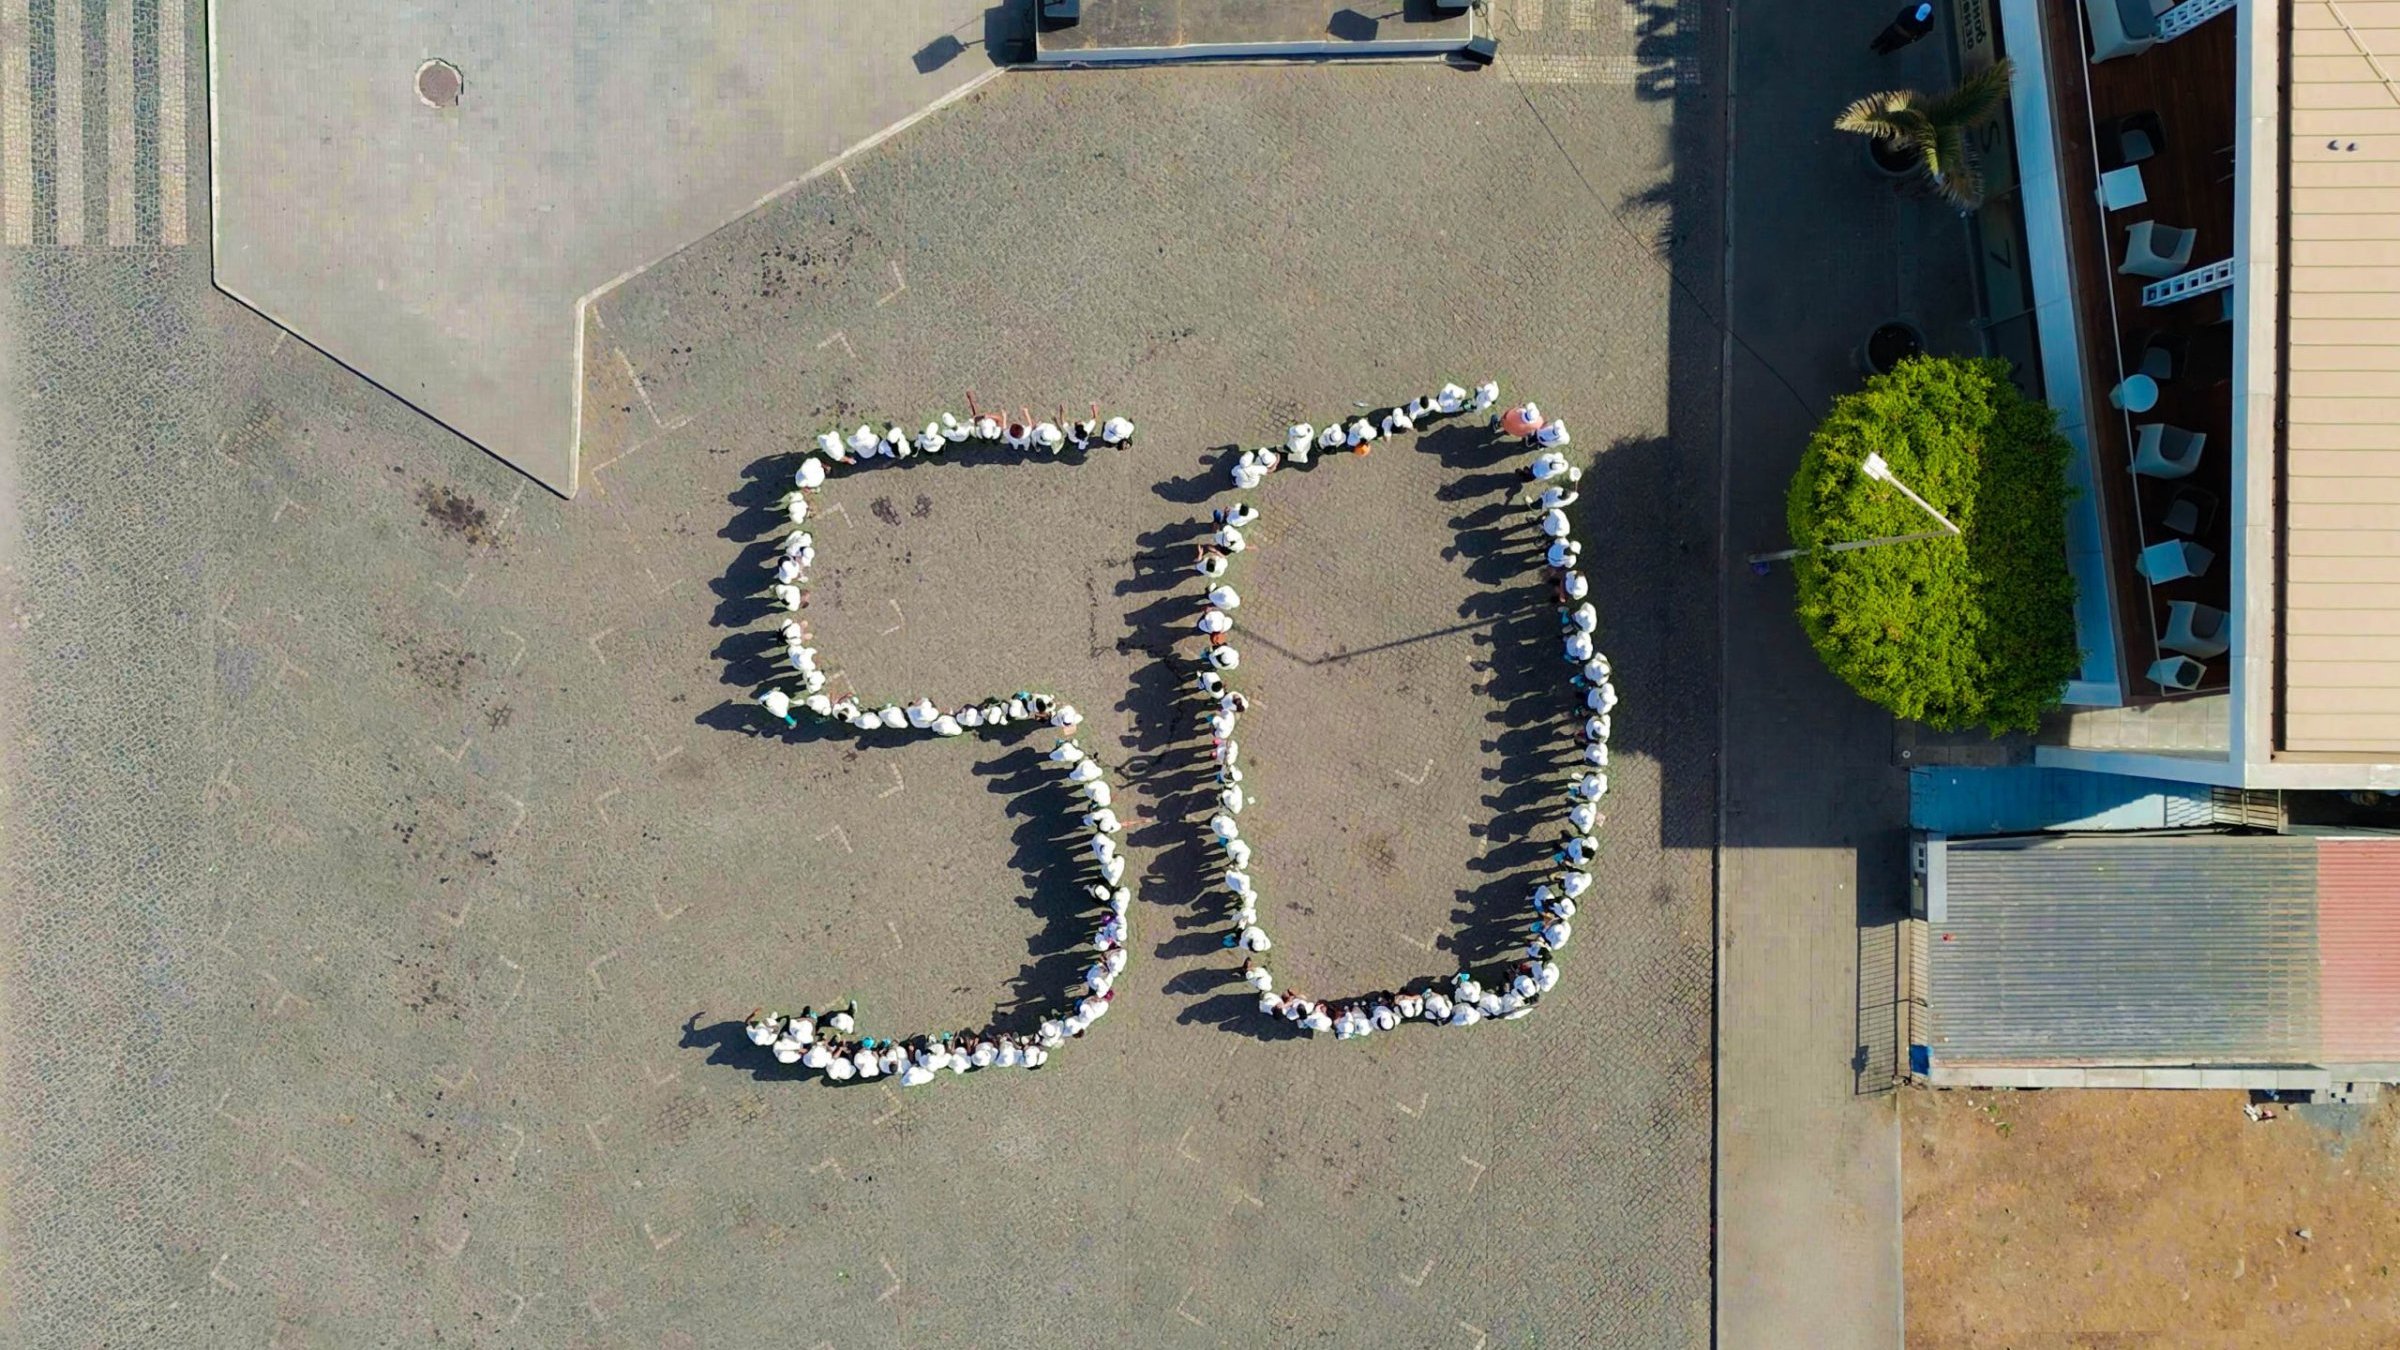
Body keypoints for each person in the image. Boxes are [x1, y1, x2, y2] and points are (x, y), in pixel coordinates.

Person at [1871, 0, 1936, 53]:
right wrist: (1910, 37)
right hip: (1895, 32)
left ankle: (1885, 49)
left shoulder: (1929, 20)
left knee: (1894, 45)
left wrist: (1914, 39)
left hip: (1904, 38)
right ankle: (1877, 43)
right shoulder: (1908, 11)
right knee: (1884, 37)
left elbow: (1924, 32)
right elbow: (1896, 26)